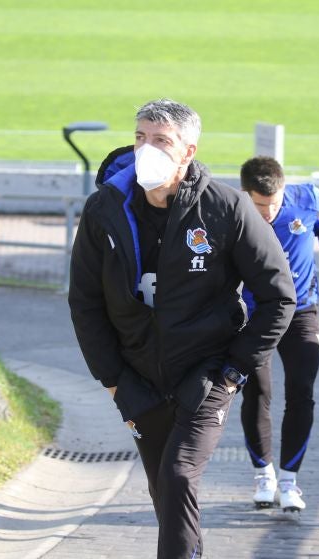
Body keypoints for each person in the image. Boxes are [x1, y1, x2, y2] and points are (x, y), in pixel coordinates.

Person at [68, 98, 296, 558]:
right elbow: (85, 303)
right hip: (136, 381)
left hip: (207, 374)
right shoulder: (103, 210)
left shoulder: (225, 208)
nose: (146, 149)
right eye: (140, 138)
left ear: (187, 151)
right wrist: (112, 380)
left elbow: (278, 297)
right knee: (166, 493)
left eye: (161, 141)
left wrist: (233, 373)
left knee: (177, 476)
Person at [238, 156, 319, 512]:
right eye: (258, 205)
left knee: (302, 393)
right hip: (255, 315)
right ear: (245, 195)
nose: (266, 213)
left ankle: (289, 480)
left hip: (302, 312)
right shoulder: (234, 211)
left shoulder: (308, 200)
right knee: (257, 392)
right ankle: (263, 475)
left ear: (284, 190)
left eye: (272, 205)